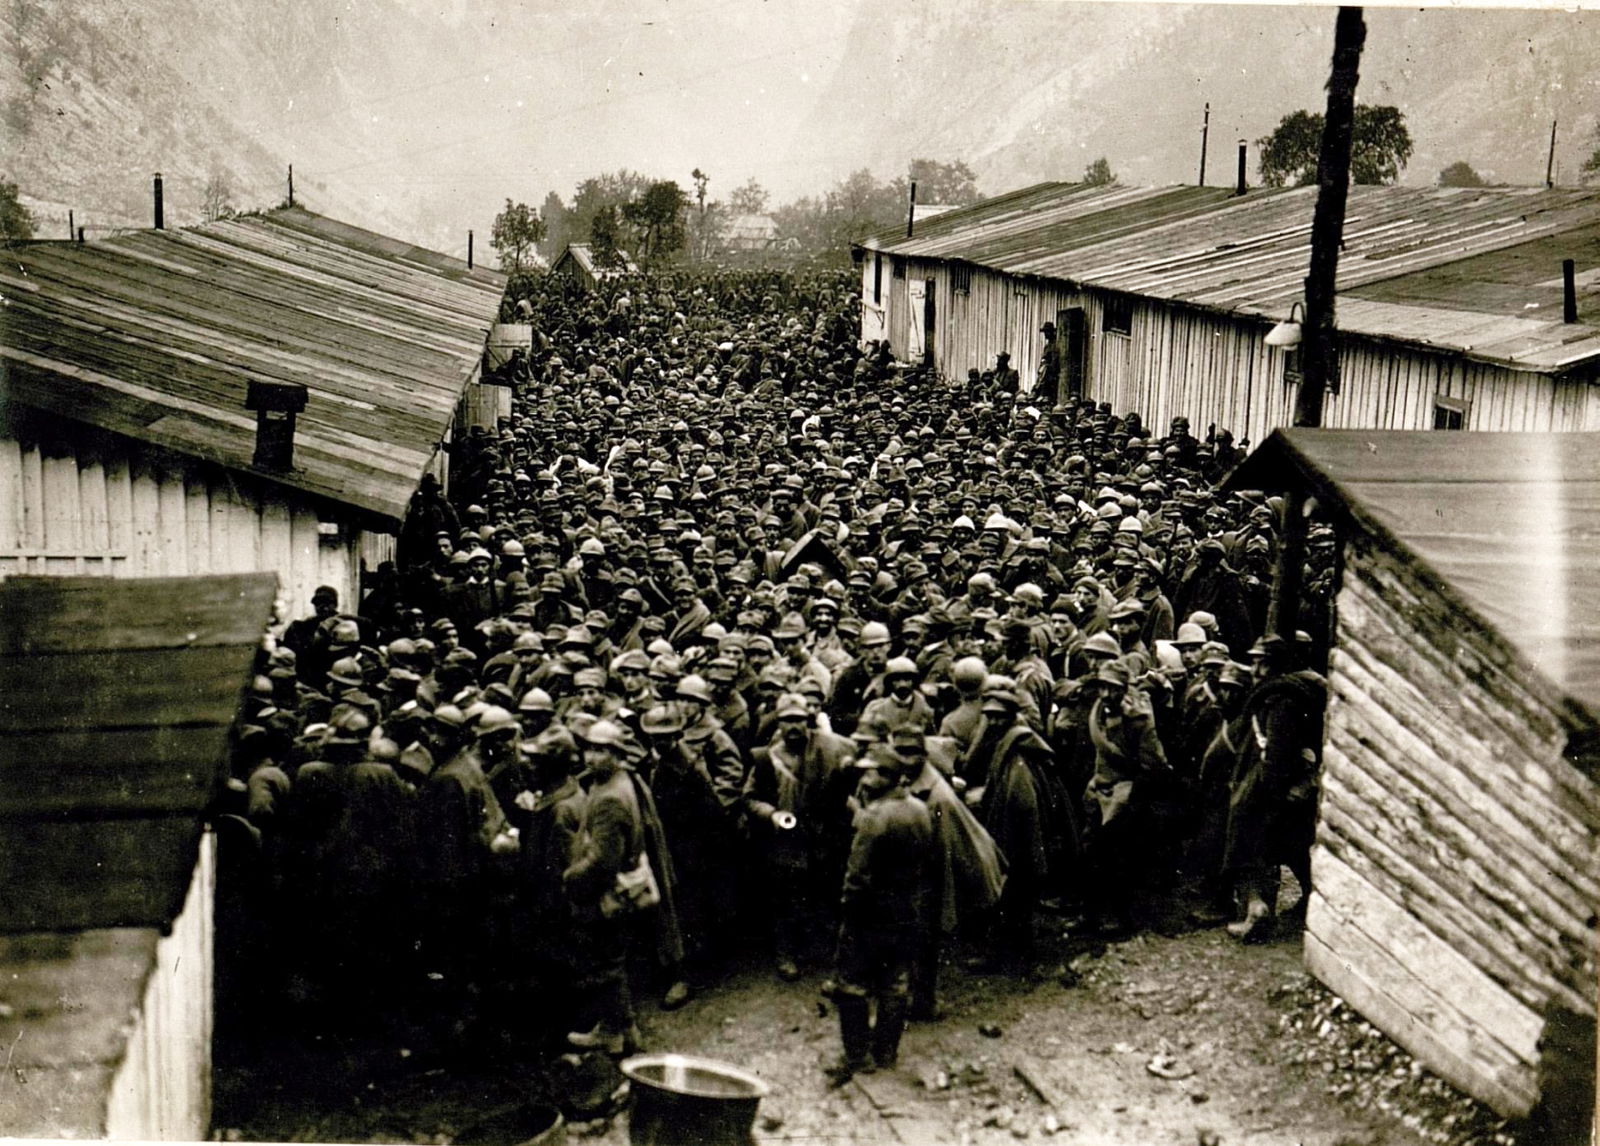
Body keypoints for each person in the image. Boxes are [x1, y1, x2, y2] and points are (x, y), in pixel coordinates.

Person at [825, 735, 933, 1086]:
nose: (865, 780)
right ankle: (887, 1051)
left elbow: (856, 877)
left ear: (886, 777)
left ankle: (858, 1056)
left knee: (852, 986)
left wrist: (847, 915)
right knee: (895, 984)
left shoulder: (873, 818)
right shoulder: (918, 810)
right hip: (905, 912)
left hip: (869, 916)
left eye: (871, 774)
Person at [563, 719, 648, 1055]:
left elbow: (602, 861)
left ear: (617, 754)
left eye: (600, 751)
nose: (590, 757)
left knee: (604, 965)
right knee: (610, 963)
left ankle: (616, 1033)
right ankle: (621, 1030)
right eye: (588, 748)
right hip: (619, 887)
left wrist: (570, 879)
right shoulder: (615, 781)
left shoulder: (610, 796)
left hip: (606, 894)